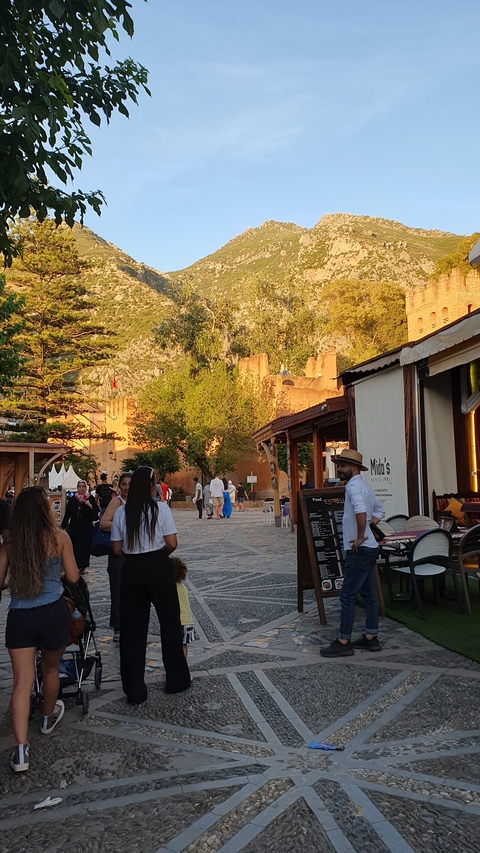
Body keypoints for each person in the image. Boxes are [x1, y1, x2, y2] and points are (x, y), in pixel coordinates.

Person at [0, 488, 80, 772]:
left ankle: (21, 751)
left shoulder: (10, 546)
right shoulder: (60, 538)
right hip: (52, 613)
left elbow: (0, 582)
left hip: (21, 615)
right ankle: (47, 717)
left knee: (21, 681)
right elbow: (72, 576)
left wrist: (16, 580)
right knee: (50, 669)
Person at [110, 466, 191, 704]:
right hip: (157, 565)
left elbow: (116, 549)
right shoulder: (161, 509)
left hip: (132, 568)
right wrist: (158, 553)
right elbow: (172, 542)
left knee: (132, 629)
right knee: (169, 622)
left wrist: (133, 552)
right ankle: (176, 679)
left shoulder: (122, 513)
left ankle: (135, 689)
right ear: (150, 486)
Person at [320, 449, 385, 658]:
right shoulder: (363, 486)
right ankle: (370, 637)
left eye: (343, 466)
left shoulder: (353, 487)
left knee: (347, 594)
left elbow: (361, 510)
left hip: (360, 549)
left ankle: (343, 640)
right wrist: (368, 528)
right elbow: (380, 510)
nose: (339, 469)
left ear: (354, 468)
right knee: (369, 594)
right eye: (339, 465)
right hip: (370, 548)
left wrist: (360, 535)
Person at [100, 471, 132, 642]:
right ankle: (118, 626)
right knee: (118, 590)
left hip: (133, 553)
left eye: (129, 484)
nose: (126, 488)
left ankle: (131, 623)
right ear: (119, 486)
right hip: (118, 554)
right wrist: (123, 523)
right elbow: (104, 523)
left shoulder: (136, 503)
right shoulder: (116, 502)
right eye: (124, 484)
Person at [61, 480, 99, 574]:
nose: (81, 488)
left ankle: (83, 566)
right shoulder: (73, 500)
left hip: (86, 528)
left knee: (85, 547)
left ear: (86, 488)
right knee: (74, 547)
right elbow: (68, 514)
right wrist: (62, 527)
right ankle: (75, 565)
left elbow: (95, 517)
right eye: (79, 486)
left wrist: (90, 506)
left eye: (83, 486)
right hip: (74, 528)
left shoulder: (90, 499)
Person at [170, 557, 194, 659]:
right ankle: (183, 667)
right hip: (188, 620)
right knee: (184, 645)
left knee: (173, 646)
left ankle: (174, 668)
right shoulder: (183, 587)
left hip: (176, 621)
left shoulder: (170, 588)